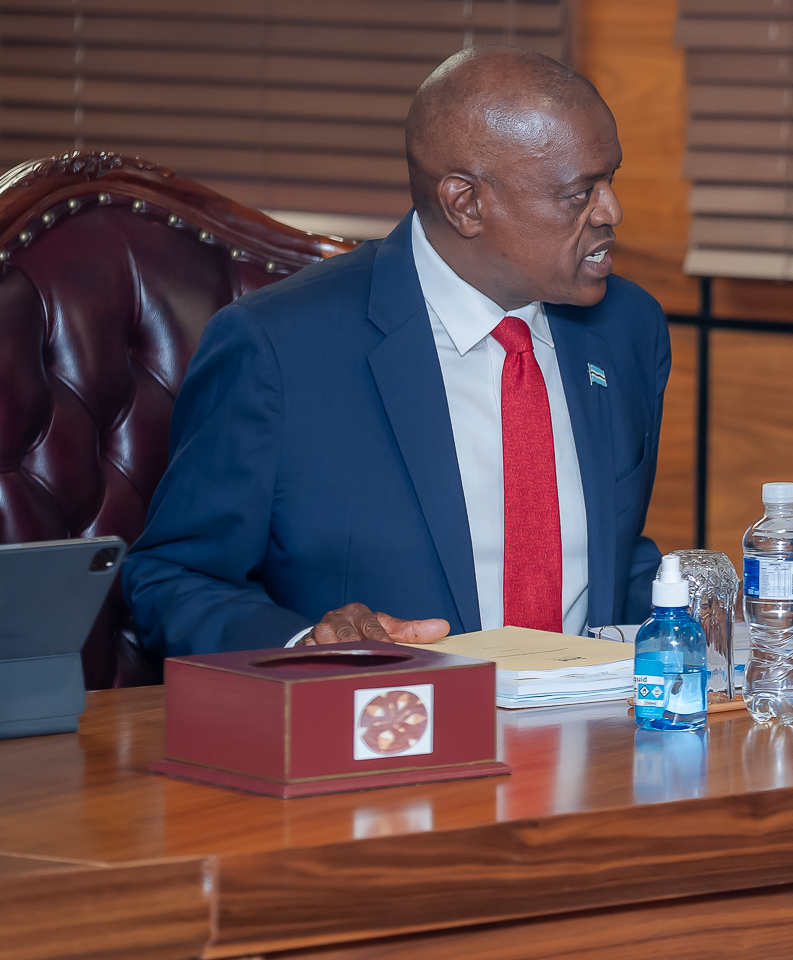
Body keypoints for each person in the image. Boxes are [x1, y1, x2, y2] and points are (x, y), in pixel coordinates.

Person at [123, 46, 670, 657]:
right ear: (466, 204)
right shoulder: (279, 350)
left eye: (610, 180)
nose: (611, 212)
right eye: (578, 194)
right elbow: (172, 577)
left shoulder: (627, 329)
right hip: (385, 734)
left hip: (596, 738)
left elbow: (612, 559)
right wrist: (308, 645)